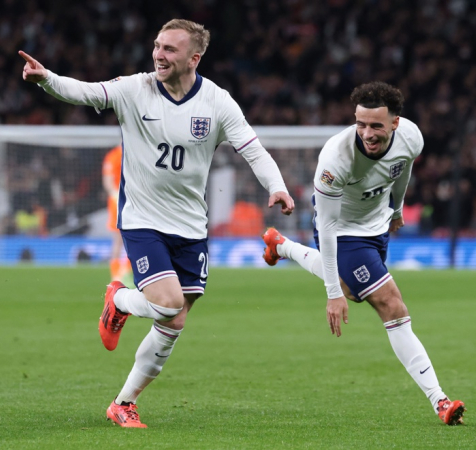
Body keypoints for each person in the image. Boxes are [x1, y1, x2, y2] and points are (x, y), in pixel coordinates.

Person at [19, 19, 294, 428]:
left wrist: (277, 186)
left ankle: (123, 402)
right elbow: (87, 92)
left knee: (176, 319)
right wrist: (47, 79)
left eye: (169, 49)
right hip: (143, 219)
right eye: (157, 46)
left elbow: (252, 148)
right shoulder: (136, 89)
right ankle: (119, 301)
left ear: (193, 58)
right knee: (167, 304)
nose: (158, 55)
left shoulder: (217, 102)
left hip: (191, 226)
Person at [262, 81, 465, 426]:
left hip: (377, 224)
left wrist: (397, 208)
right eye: (361, 124)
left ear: (395, 123)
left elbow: (403, 169)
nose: (367, 133)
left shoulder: (412, 137)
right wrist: (331, 294)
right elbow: (325, 229)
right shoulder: (334, 159)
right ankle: (440, 400)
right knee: (391, 304)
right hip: (342, 231)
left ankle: (281, 246)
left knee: (357, 292)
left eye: (376, 126)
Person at [102, 145, 131, 282]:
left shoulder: (135, 153)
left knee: (131, 238)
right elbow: (108, 181)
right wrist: (116, 195)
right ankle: (117, 274)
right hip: (118, 201)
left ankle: (126, 271)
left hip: (134, 201)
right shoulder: (113, 156)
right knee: (119, 239)